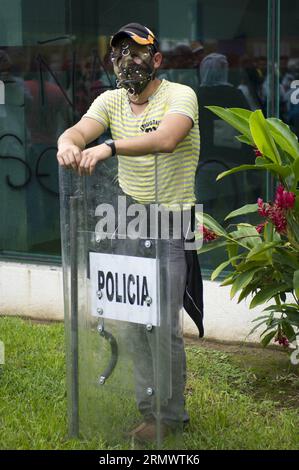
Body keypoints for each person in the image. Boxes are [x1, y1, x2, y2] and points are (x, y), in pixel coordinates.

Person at [57, 22, 203, 443]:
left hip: (171, 221)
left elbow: (168, 139)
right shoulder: (111, 101)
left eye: (137, 52)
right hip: (124, 217)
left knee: (162, 323)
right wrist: (69, 143)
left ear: (156, 59)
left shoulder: (180, 96)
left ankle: (170, 415)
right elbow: (78, 132)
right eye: (119, 53)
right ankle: (149, 409)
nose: (127, 61)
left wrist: (108, 147)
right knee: (134, 318)